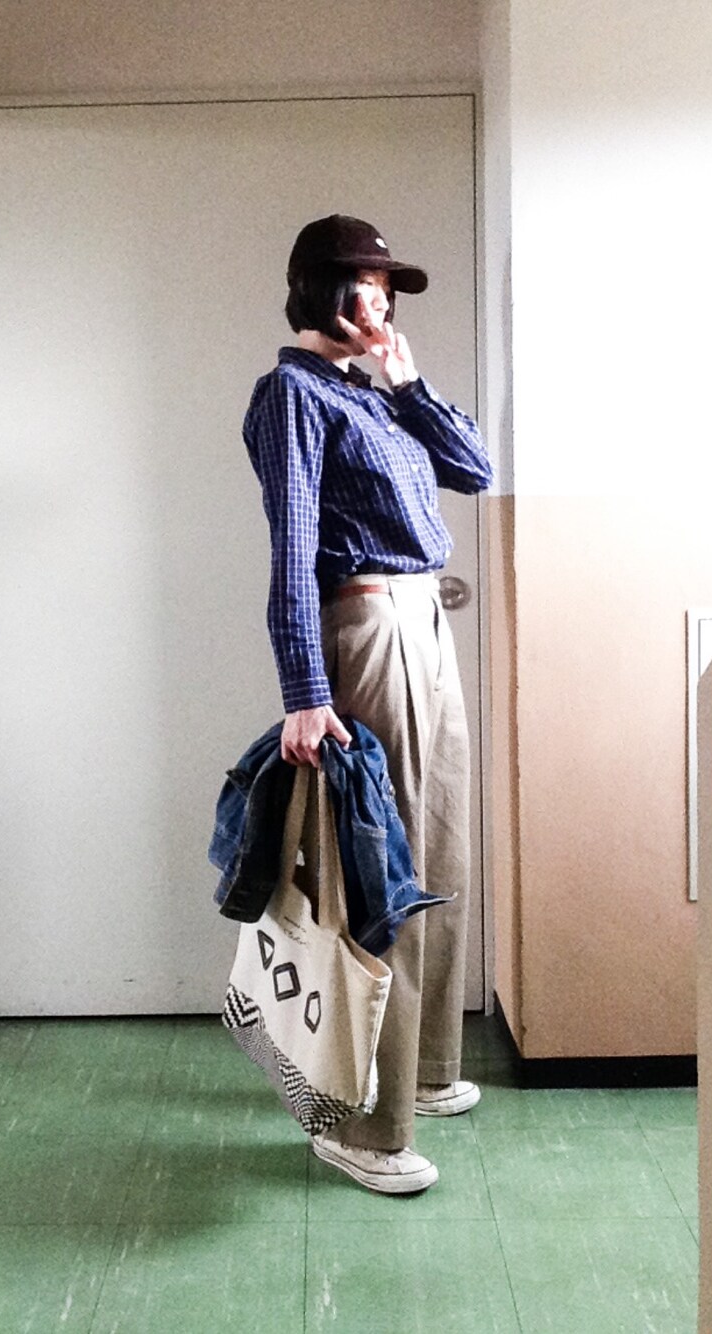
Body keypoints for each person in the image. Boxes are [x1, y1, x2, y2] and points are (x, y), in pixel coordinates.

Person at [242, 214, 493, 1195]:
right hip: (366, 625)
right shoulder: (292, 396)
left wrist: (407, 382)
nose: (379, 305)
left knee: (440, 847)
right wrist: (305, 692)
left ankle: (423, 1069)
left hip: (425, 621)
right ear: (319, 291)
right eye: (364, 287)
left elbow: (474, 469)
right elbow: (292, 548)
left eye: (388, 291)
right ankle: (361, 1124)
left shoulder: (374, 396)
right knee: (375, 868)